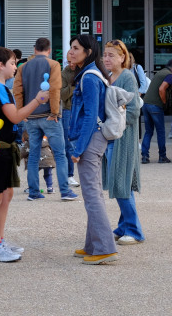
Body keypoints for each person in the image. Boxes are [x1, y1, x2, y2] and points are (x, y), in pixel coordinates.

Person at [0, 46, 49, 263]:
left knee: (6, 194)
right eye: (12, 63)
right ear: (0, 66)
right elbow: (16, 117)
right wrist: (37, 100)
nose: (15, 67)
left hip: (5, 148)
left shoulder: (1, 87)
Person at [68, 34, 118, 264]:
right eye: (71, 47)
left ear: (88, 52)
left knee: (91, 195)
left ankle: (105, 248)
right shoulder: (93, 73)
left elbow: (90, 116)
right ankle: (93, 245)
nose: (71, 52)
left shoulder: (89, 77)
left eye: (76, 48)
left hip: (90, 139)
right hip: (96, 138)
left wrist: (78, 149)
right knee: (94, 193)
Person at [13, 37, 76, 201]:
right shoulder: (53, 64)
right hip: (48, 115)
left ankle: (33, 192)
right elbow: (54, 89)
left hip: (30, 115)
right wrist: (54, 112)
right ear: (49, 50)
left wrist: (21, 112)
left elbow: (17, 91)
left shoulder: (23, 67)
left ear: (35, 49)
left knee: (33, 155)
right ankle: (65, 191)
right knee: (60, 154)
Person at [102, 40, 144, 245]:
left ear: (122, 57)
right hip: (112, 137)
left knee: (121, 183)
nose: (106, 58)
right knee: (120, 184)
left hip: (123, 138)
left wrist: (113, 121)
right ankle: (123, 227)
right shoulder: (109, 76)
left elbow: (134, 111)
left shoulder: (127, 77)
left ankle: (134, 231)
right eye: (105, 54)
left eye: (111, 55)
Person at [140, 58, 172, 164]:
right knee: (160, 132)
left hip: (146, 104)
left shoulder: (160, 73)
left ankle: (144, 156)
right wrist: (164, 102)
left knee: (148, 131)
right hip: (155, 106)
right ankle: (162, 156)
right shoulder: (170, 75)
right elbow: (162, 89)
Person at [60, 61, 79, 188]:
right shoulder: (64, 73)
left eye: (73, 61)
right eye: (69, 62)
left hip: (83, 109)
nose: (71, 64)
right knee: (69, 143)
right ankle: (70, 175)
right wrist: (73, 85)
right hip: (68, 110)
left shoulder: (85, 71)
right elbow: (62, 95)